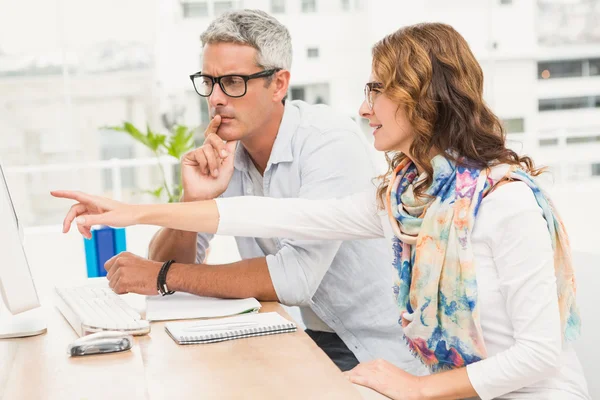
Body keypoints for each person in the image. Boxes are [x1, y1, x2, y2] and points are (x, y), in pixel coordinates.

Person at [52, 22, 590, 399]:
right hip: (451, 389)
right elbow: (278, 217)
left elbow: (540, 355)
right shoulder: (405, 196)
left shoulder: (506, 202)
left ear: (426, 98)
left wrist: (419, 387)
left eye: (378, 90)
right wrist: (134, 211)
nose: (362, 108)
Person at [57, 10, 426, 375]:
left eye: (233, 81)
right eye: (209, 81)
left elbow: (293, 279)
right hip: (307, 335)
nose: (216, 98)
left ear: (279, 84)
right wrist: (194, 200)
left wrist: (162, 275)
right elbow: (170, 263)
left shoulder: (328, 139)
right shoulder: (224, 154)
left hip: (380, 349)